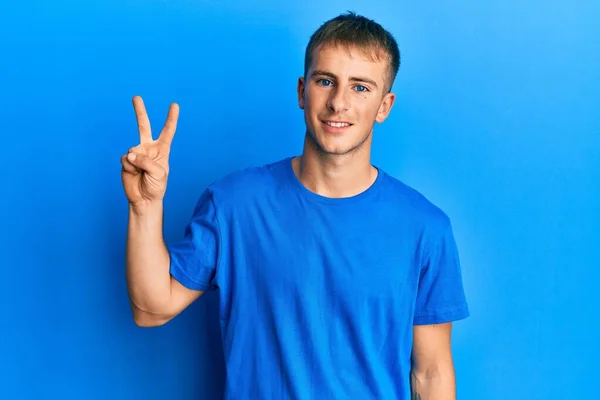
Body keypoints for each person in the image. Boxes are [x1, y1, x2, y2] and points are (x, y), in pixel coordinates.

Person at [121, 11, 469, 400]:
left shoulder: (425, 228)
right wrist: (145, 207)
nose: (339, 102)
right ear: (302, 91)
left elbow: (432, 372)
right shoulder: (234, 204)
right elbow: (151, 308)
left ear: (384, 106)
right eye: (326, 81)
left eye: (360, 88)